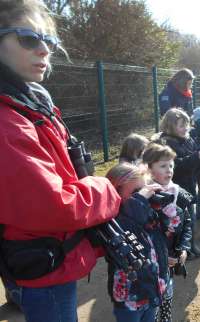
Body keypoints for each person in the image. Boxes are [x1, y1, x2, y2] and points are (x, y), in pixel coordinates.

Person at [0, 1, 121, 320]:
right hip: (44, 267)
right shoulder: (8, 121)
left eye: (48, 41)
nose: (44, 50)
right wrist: (107, 189)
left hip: (51, 258)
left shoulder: (29, 102)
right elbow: (56, 205)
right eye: (28, 38)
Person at [105, 163, 166, 322]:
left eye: (144, 189)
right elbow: (128, 227)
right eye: (136, 193)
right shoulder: (113, 222)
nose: (144, 196)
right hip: (129, 297)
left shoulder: (146, 212)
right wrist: (139, 201)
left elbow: (161, 240)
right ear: (115, 195)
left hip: (152, 287)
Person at [142, 143, 192, 322]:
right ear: (149, 169)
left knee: (167, 296)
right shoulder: (143, 198)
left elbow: (186, 223)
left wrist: (183, 248)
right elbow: (143, 236)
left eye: (171, 165)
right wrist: (161, 257)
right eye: (163, 166)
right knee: (153, 302)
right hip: (151, 263)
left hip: (171, 259)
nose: (169, 170)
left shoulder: (179, 193)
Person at [158, 108, 200, 258]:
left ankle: (190, 245)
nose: (185, 128)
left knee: (190, 219)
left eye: (186, 124)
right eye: (181, 125)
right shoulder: (167, 143)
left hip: (189, 185)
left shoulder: (188, 139)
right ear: (170, 127)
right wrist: (196, 157)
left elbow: (195, 160)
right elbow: (176, 166)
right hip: (175, 188)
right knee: (178, 221)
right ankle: (181, 250)